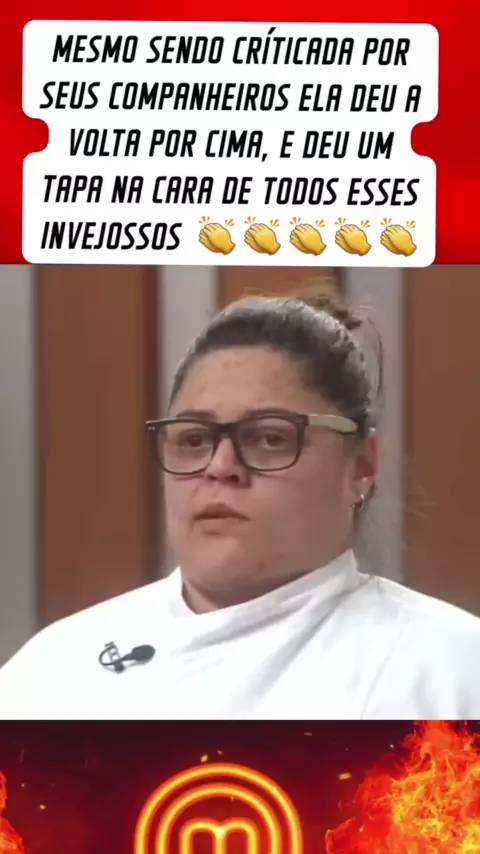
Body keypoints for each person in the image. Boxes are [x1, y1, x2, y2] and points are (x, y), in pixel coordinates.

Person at [0, 292, 479, 720]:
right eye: (194, 439)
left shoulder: (449, 674)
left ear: (362, 466)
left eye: (270, 438)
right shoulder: (52, 673)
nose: (220, 466)